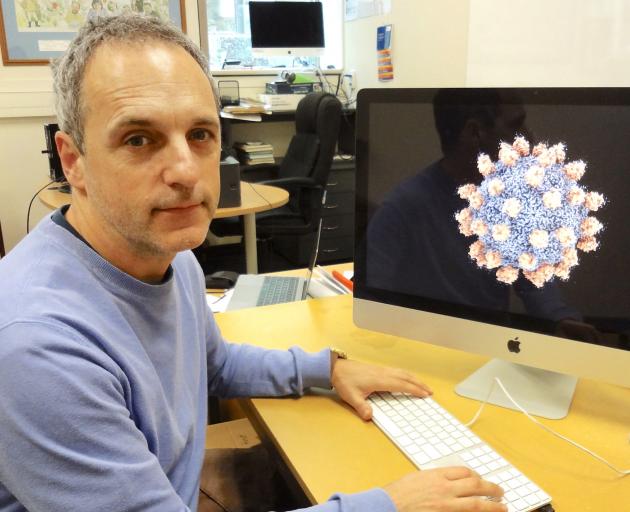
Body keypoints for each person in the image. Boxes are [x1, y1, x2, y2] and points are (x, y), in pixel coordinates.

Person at [0, 16, 506, 512]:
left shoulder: (169, 256)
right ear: (73, 162)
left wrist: (328, 369)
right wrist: (390, 507)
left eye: (200, 135)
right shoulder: (38, 349)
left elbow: (214, 365)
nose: (185, 172)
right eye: (139, 139)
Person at [366, 89, 581, 322]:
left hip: (494, 349)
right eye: (515, 126)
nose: (529, 138)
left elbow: (535, 282)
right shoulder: (400, 211)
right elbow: (372, 307)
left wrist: (563, 321)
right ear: (475, 132)